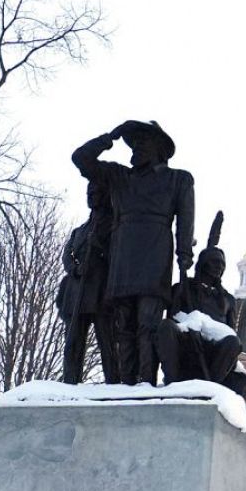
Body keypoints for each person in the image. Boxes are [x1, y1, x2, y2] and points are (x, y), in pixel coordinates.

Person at [71, 121, 195, 385]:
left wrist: (184, 254)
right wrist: (110, 137)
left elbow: (185, 220)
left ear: (159, 148)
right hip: (122, 259)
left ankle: (145, 383)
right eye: (133, 143)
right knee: (123, 327)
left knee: (148, 324)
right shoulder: (119, 176)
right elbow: (81, 158)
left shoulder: (178, 179)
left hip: (154, 258)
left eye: (142, 143)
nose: (136, 148)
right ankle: (126, 384)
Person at [158, 210, 246, 397]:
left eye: (222, 265)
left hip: (213, 350)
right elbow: (172, 315)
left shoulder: (227, 299)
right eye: (215, 263)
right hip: (186, 339)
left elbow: (230, 331)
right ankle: (173, 384)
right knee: (166, 327)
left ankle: (210, 388)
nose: (219, 267)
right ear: (203, 264)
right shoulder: (184, 288)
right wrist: (190, 326)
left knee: (233, 342)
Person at [57, 180, 119, 384]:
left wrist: (99, 246)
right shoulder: (80, 231)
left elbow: (119, 256)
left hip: (101, 291)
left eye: (95, 193)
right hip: (78, 291)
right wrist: (75, 268)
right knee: (73, 341)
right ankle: (70, 382)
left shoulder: (114, 225)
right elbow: (67, 255)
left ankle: (113, 382)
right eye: (88, 193)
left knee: (107, 341)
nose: (91, 196)